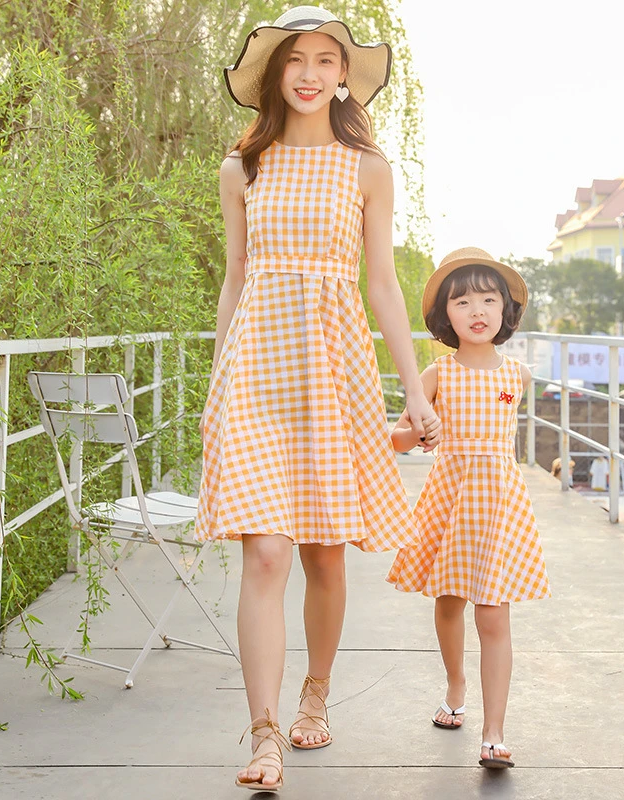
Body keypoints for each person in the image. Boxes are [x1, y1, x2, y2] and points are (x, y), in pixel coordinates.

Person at [194, 6, 441, 792]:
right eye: (295, 60)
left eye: (325, 61)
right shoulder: (242, 168)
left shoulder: (367, 168)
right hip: (256, 370)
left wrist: (414, 389)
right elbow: (235, 277)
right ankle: (265, 732)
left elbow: (382, 286)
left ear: (342, 78)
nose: (308, 73)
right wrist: (216, 383)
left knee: (324, 554)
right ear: (275, 75)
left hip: (334, 371)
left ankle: (316, 693)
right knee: (266, 551)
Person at [387, 247, 550, 769]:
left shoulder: (517, 375)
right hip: (451, 497)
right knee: (449, 601)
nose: (477, 310)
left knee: (494, 613)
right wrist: (421, 431)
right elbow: (397, 439)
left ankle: (494, 732)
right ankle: (455, 686)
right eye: (462, 302)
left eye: (488, 299)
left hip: (499, 503)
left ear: (505, 309)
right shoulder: (438, 374)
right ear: (445, 315)